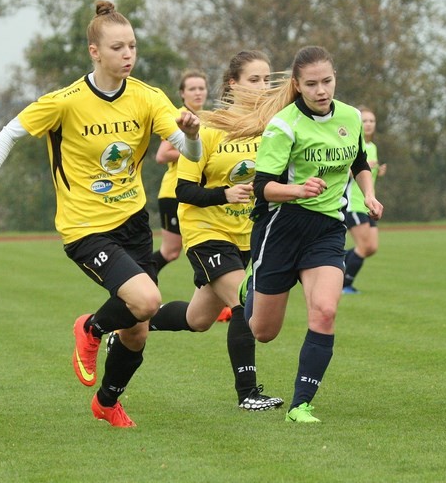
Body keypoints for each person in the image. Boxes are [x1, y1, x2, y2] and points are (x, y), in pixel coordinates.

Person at [0, 0, 202, 427]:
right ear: (94, 52)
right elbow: (9, 133)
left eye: (132, 46)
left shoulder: (148, 97)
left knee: (138, 328)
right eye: (117, 48)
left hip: (133, 221)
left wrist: (193, 135)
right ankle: (91, 327)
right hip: (85, 228)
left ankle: (107, 403)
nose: (128, 55)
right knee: (147, 300)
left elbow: (189, 152)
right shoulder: (65, 102)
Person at [203, 45, 383, 423]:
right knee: (263, 331)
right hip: (281, 228)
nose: (322, 90)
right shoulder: (283, 125)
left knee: (326, 311)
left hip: (326, 230)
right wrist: (299, 190)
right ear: (298, 85)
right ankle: (250, 285)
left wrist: (368, 194)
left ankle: (301, 405)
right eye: (312, 84)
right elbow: (263, 187)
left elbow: (359, 162)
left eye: (327, 81)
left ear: (335, 79)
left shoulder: (349, 116)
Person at [146, 50, 283, 411]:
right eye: (254, 80)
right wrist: (225, 193)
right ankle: (248, 394)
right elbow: (184, 190)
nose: (262, 87)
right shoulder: (206, 127)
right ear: (232, 84)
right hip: (205, 230)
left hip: (245, 233)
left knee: (198, 319)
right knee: (244, 301)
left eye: (267, 80)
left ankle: (130, 326)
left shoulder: (271, 128)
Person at [150, 70, 208, 275]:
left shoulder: (208, 118)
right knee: (171, 251)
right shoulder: (178, 116)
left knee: (206, 245)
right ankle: (135, 281)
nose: (198, 93)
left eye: (201, 88)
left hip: (197, 193)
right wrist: (198, 152)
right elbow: (162, 155)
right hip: (174, 192)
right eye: (192, 89)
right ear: (182, 93)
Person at [341, 106, 387, 294]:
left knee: (371, 247)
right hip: (353, 204)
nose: (368, 124)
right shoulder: (351, 143)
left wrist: (378, 172)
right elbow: (344, 174)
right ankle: (345, 285)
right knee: (364, 246)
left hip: (368, 204)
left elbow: (368, 177)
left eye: (371, 121)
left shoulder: (372, 147)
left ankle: (336, 260)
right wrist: (364, 166)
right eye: (364, 121)